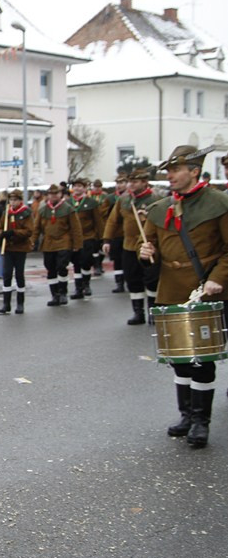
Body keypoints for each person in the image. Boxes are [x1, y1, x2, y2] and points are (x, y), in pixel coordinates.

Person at [139, 145, 228, 448]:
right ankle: (187, 415)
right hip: (171, 290)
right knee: (179, 359)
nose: (170, 175)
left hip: (205, 289)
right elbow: (149, 245)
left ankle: (202, 421)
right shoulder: (159, 208)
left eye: (176, 170)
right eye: (168, 170)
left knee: (202, 358)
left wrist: (217, 279)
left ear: (194, 171)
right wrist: (145, 251)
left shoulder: (219, 204)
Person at [103, 170, 161, 324]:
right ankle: (138, 313)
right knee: (132, 278)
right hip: (129, 246)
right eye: (130, 182)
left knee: (151, 279)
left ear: (144, 182)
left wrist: (148, 216)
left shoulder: (157, 199)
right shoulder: (124, 200)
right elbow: (112, 220)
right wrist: (107, 240)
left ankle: (153, 311)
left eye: (135, 182)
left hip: (149, 245)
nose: (131, 185)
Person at [33, 184, 84, 307]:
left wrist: (77, 244)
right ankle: (54, 294)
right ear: (48, 195)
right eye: (51, 194)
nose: (53, 196)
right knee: (50, 268)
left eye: (56, 194)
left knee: (61, 267)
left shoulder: (68, 209)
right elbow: (36, 227)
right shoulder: (43, 210)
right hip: (48, 243)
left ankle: (62, 293)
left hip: (63, 241)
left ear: (60, 194)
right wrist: (32, 241)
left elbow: (75, 228)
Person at [0, 189, 34, 314]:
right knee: (6, 274)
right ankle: (6, 304)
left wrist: (14, 232)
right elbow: (0, 227)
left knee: (19, 274)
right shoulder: (6, 212)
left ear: (20, 200)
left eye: (15, 200)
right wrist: (2, 234)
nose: (13, 202)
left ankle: (20, 303)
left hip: (20, 247)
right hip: (8, 248)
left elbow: (29, 231)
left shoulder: (26, 213)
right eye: (11, 200)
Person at [68, 178, 104, 300]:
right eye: (75, 186)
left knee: (86, 261)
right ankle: (78, 288)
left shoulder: (91, 203)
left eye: (80, 186)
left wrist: (101, 238)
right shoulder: (68, 202)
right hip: (73, 238)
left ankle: (86, 285)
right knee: (76, 263)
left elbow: (98, 221)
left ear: (85, 188)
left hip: (88, 236)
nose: (77, 188)